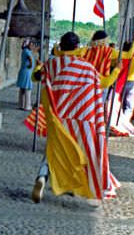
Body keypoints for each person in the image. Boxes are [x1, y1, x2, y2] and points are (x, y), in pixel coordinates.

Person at [30, 32, 119, 204]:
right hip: (80, 118)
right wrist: (116, 71)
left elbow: (36, 77)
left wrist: (38, 67)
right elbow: (104, 83)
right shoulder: (86, 67)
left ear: (61, 47)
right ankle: (71, 185)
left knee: (54, 149)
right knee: (76, 152)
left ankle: (42, 177)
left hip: (58, 117)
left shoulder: (52, 64)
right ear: (77, 47)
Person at [16, 39, 36, 110]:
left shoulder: (25, 51)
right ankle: (27, 105)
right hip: (27, 71)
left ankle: (21, 105)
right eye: (31, 44)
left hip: (23, 71)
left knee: (22, 90)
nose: (32, 46)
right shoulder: (27, 51)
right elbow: (30, 58)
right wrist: (30, 65)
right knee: (28, 89)